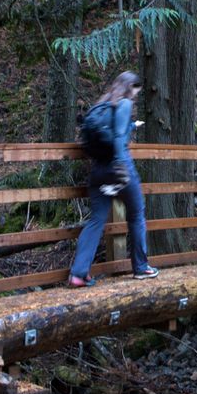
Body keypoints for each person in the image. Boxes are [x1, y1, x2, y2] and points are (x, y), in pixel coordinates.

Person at [68, 71, 160, 287]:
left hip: (98, 171)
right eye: (136, 90)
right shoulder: (125, 104)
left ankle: (78, 274)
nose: (136, 95)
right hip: (119, 168)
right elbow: (118, 137)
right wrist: (120, 165)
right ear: (131, 87)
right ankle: (140, 267)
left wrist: (131, 126)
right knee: (136, 215)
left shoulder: (100, 106)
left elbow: (112, 132)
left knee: (96, 220)